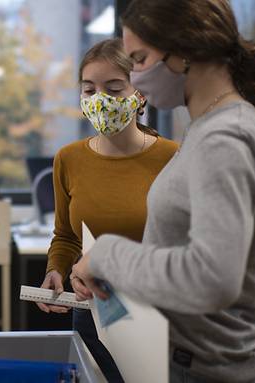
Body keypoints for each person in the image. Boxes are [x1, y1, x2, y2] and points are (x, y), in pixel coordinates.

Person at [72, 1, 255, 382]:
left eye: (140, 59)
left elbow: (213, 278)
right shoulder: (206, 129)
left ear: (183, 51)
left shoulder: (225, 138)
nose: (137, 78)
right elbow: (183, 255)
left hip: (206, 371)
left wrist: (108, 255)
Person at [36, 38, 178, 382]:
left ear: (139, 93)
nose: (100, 100)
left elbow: (185, 244)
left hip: (156, 310)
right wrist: (55, 269)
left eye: (114, 88)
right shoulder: (68, 159)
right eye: (89, 90)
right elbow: (67, 236)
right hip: (92, 310)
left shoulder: (174, 157)